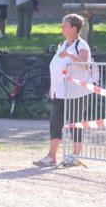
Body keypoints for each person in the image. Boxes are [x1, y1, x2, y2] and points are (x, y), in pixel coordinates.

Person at [34, 13, 90, 167]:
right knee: (55, 123)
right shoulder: (61, 45)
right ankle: (51, 156)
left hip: (76, 93)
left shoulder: (81, 45)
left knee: (75, 124)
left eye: (65, 25)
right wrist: (51, 89)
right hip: (58, 93)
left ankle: (76, 156)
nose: (61, 27)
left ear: (74, 28)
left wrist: (71, 55)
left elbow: (86, 65)